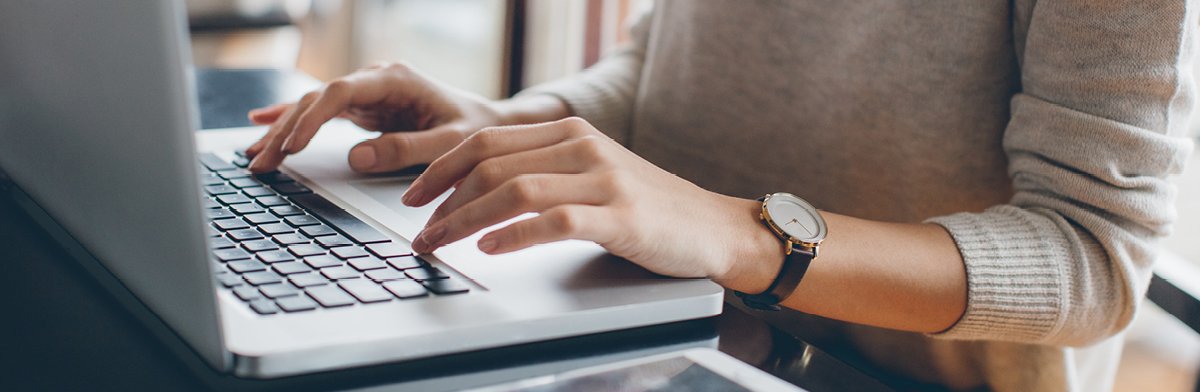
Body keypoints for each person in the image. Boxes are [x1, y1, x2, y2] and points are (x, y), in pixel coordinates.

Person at [243, 1, 1197, 390]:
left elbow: (1092, 256)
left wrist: (744, 233)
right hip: (659, 338)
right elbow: (662, 62)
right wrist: (510, 127)